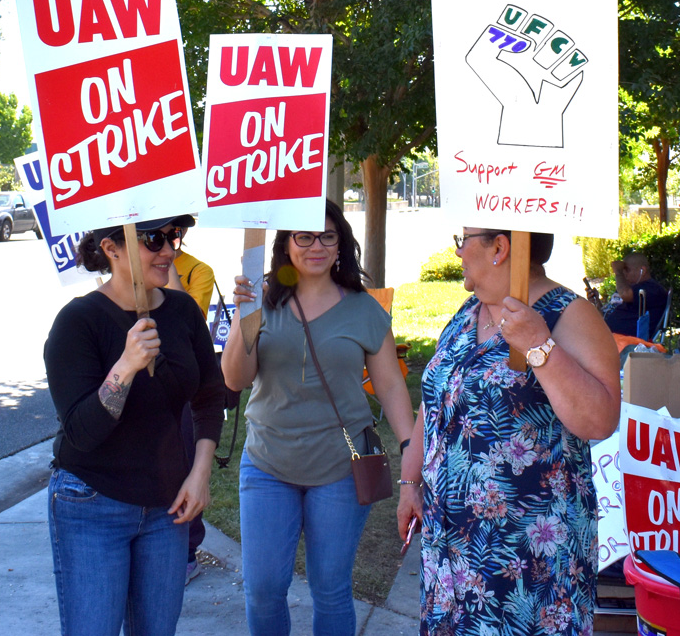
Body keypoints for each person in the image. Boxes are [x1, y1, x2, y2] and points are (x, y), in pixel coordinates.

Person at [398, 228, 620, 636]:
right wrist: (410, 480)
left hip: (527, 557)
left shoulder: (568, 314)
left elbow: (601, 419)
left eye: (464, 239)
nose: (459, 251)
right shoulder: (470, 310)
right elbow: (436, 400)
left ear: (500, 247)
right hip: (451, 551)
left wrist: (539, 344)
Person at [221, 199, 414, 636]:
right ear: (285, 244)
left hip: (341, 468)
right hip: (269, 464)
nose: (317, 246)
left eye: (328, 236)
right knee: (264, 588)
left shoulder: (365, 310)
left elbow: (389, 386)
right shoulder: (260, 302)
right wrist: (242, 316)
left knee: (330, 588)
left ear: (341, 243)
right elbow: (235, 378)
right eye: (304, 236)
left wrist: (410, 452)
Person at [44, 215, 225, 636]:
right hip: (92, 501)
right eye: (153, 239)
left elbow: (210, 395)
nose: (169, 251)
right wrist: (125, 367)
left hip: (168, 507)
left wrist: (199, 474)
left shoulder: (181, 310)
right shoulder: (78, 321)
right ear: (112, 248)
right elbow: (81, 433)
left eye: (174, 237)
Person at [165, 217, 218, 583]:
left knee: (185, 460)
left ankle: (187, 550)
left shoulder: (198, 271)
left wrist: (163, 264)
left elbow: (186, 323)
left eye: (173, 235)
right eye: (156, 235)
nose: (167, 241)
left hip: (182, 383)